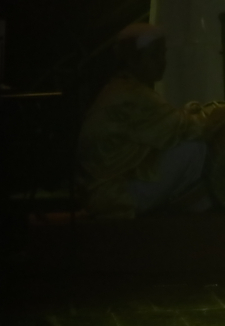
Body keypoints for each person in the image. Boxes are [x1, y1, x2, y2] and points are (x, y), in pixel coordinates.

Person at [77, 24, 217, 219]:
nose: (162, 62)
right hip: (114, 195)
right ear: (134, 61)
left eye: (163, 54)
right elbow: (185, 127)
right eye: (154, 55)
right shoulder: (131, 95)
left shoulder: (121, 87)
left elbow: (170, 124)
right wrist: (220, 116)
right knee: (195, 149)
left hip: (104, 189)